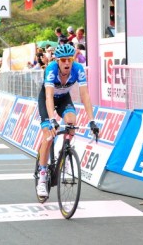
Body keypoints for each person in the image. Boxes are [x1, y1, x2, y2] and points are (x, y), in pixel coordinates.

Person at [36, 44, 99, 197]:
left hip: (64, 98)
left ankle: (65, 152)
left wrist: (92, 120)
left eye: (69, 60)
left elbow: (85, 95)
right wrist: (52, 120)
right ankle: (42, 177)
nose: (66, 63)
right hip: (47, 99)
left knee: (71, 121)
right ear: (57, 61)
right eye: (63, 60)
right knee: (48, 136)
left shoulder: (78, 69)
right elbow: (49, 97)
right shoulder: (51, 69)